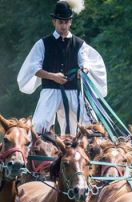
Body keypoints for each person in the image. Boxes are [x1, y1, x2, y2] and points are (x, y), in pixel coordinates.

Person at [17, 0, 107, 136]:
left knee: (91, 126)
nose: (64, 26)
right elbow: (33, 68)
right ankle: (29, 155)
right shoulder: (43, 43)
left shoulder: (79, 44)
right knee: (39, 127)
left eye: (66, 22)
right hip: (50, 91)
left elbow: (86, 63)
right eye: (60, 22)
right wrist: (53, 76)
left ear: (70, 22)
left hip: (74, 92)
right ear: (54, 22)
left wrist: (82, 71)